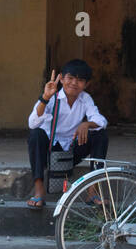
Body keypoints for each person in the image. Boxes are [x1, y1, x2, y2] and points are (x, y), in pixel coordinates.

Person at [26, 59, 108, 209]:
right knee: (35, 135)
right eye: (70, 78)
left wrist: (87, 124)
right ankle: (39, 191)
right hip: (49, 151)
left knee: (100, 135)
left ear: (86, 84)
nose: (74, 83)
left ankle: (92, 192)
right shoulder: (51, 97)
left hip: (71, 150)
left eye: (80, 80)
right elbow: (32, 123)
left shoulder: (85, 99)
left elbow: (101, 121)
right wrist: (45, 98)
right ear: (62, 79)